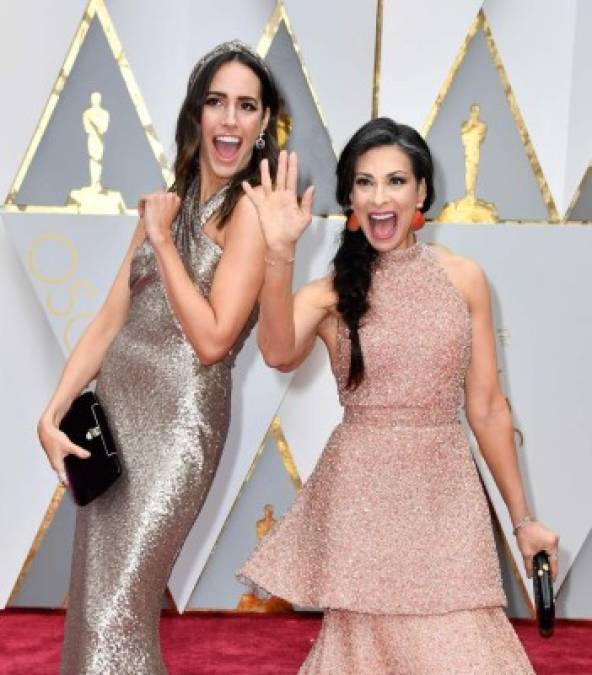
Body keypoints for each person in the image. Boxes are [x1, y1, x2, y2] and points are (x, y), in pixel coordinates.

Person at [239, 118, 559, 673]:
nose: (380, 197)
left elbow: (485, 410)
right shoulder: (331, 293)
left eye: (395, 181)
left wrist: (523, 519)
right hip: (364, 503)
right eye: (365, 183)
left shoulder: (465, 280)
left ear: (422, 192)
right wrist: (278, 252)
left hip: (446, 498)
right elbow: (276, 350)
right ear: (350, 199)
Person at [37, 40, 280, 674]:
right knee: (94, 603)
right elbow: (110, 320)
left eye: (246, 106)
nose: (229, 119)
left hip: (179, 426)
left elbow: (214, 339)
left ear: (263, 126)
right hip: (111, 423)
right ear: (196, 115)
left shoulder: (250, 214)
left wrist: (163, 243)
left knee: (122, 606)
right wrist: (53, 410)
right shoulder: (162, 206)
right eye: (216, 102)